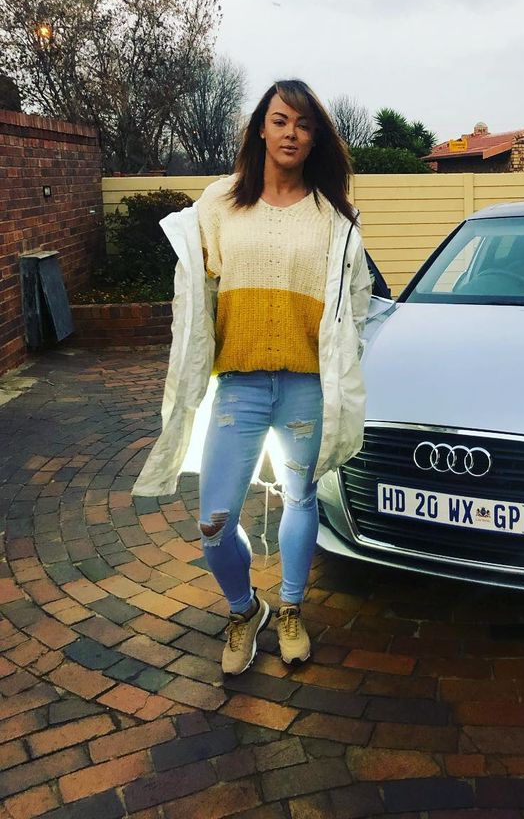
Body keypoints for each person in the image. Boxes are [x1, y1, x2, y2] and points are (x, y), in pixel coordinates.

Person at [132, 80, 371, 675]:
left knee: (300, 498)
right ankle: (245, 610)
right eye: (281, 120)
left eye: (304, 125)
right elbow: (195, 291)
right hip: (238, 385)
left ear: (315, 138)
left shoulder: (333, 217)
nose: (292, 133)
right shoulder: (220, 203)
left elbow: (356, 303)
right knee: (213, 521)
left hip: (304, 387)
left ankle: (290, 608)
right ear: (261, 128)